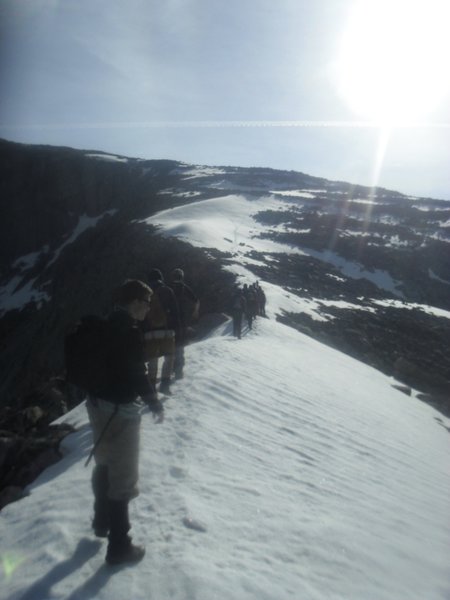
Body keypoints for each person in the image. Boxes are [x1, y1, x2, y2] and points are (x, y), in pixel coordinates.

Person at [86, 279, 164, 566]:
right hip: (121, 411)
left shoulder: (104, 324)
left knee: (104, 463)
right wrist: (154, 402)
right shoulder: (129, 331)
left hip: (96, 405)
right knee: (124, 477)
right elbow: (136, 373)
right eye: (145, 303)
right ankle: (120, 546)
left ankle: (101, 520)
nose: (147, 309)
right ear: (134, 303)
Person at [143, 269, 180, 395]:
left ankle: (151, 387)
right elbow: (175, 311)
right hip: (167, 331)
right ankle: (165, 385)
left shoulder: (144, 294)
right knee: (169, 358)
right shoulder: (167, 290)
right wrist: (177, 330)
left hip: (149, 332)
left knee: (152, 360)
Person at [170, 268, 200, 379]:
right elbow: (196, 300)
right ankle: (179, 371)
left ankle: (170, 368)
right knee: (180, 345)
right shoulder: (184, 288)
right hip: (182, 321)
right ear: (182, 277)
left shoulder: (168, 287)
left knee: (170, 345)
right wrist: (194, 313)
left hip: (170, 320)